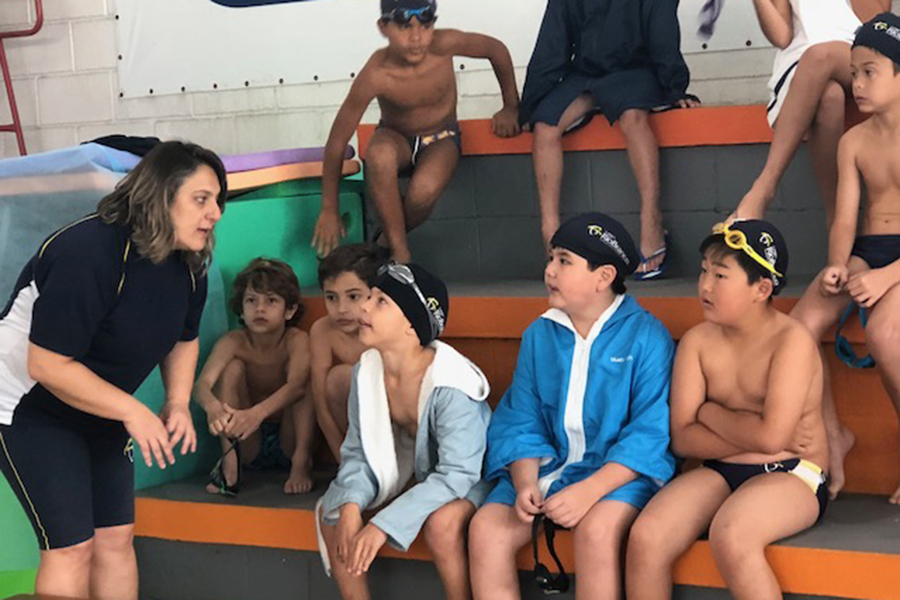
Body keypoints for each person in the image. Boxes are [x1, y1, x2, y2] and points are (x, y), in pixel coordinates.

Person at [0, 141, 225, 600]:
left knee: (115, 539)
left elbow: (184, 338)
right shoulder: (88, 252)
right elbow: (45, 363)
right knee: (71, 547)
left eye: (218, 201)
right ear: (160, 197)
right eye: (201, 199)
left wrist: (177, 401)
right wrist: (131, 410)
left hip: (100, 406)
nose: (215, 213)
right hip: (27, 406)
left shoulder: (189, 264)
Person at [469, 213, 676, 600]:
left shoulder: (647, 337)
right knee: (486, 530)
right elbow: (521, 417)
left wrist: (591, 490)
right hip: (546, 471)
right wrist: (525, 482)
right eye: (551, 258)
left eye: (564, 261)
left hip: (616, 477)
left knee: (596, 532)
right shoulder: (539, 334)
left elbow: (649, 432)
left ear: (604, 277)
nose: (550, 270)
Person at [627, 220, 828, 600]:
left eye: (720, 275)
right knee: (647, 536)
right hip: (719, 469)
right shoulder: (698, 342)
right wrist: (758, 437)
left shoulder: (791, 341)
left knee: (732, 535)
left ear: (762, 289)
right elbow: (683, 439)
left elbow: (772, 439)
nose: (705, 285)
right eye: (704, 271)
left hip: (792, 473)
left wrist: (708, 413)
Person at [316, 262, 491, 600]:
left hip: (474, 476)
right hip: (418, 471)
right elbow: (358, 450)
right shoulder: (367, 371)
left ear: (412, 325)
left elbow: (459, 473)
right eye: (369, 296)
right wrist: (351, 504)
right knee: (334, 511)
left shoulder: (452, 385)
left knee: (442, 525)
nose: (364, 307)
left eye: (380, 301)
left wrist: (383, 524)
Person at [311, 0, 521, 263]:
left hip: (441, 138)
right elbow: (337, 140)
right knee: (378, 154)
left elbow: (495, 49)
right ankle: (401, 255)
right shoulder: (376, 73)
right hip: (396, 136)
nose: (416, 37)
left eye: (425, 25)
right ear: (383, 27)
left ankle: (383, 243)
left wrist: (511, 106)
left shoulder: (445, 44)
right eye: (404, 27)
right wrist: (329, 207)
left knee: (423, 192)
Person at [790, 12, 900, 503]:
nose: (857, 84)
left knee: (885, 333)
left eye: (869, 72)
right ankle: (832, 435)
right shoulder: (854, 141)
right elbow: (844, 219)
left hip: (895, 266)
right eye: (853, 72)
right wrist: (839, 264)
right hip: (868, 252)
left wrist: (886, 279)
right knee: (798, 327)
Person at [520, 0, 699, 280]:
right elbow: (551, 44)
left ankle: (651, 219)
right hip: (584, 76)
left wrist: (675, 88)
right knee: (546, 126)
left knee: (632, 117)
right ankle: (550, 230)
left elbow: (662, 33)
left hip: (635, 71)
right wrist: (530, 107)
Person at [732, 0, 891, 222]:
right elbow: (782, 37)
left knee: (819, 55)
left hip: (856, 51)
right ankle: (836, 220)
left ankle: (764, 188)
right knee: (829, 97)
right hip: (801, 60)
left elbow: (874, 20)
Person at [195, 258, 315, 496]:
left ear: (289, 310)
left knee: (305, 381)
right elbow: (201, 385)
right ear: (241, 308)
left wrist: (256, 414)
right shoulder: (233, 342)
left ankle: (302, 462)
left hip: (290, 440)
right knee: (232, 369)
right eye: (251, 300)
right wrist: (213, 408)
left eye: (271, 301)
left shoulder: (296, 340)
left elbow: (297, 386)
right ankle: (231, 466)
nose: (260, 309)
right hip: (247, 440)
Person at [311, 243, 387, 460]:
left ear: (376, 294)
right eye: (331, 298)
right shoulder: (323, 331)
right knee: (339, 378)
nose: (341, 309)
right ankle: (357, 461)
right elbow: (321, 406)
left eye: (353, 297)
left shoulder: (389, 325)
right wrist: (343, 462)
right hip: (355, 433)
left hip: (397, 423)